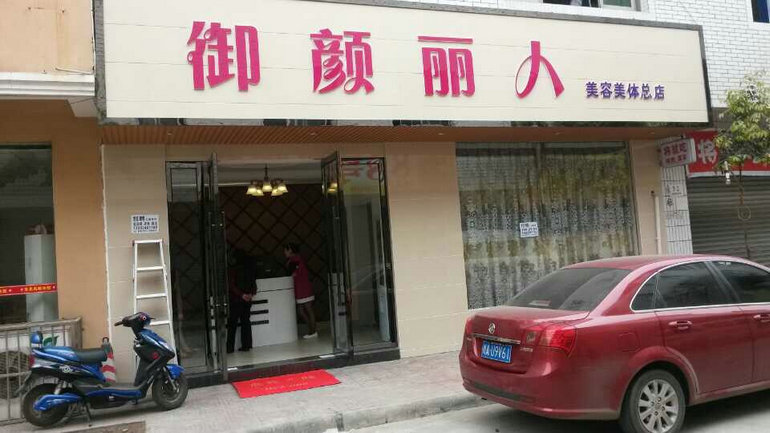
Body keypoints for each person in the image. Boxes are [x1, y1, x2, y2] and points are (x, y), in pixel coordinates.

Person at [226, 249, 257, 353]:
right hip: (247, 300)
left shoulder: (232, 269)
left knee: (232, 324)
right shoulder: (250, 269)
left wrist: (241, 295)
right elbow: (253, 284)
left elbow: (231, 285)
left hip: (236, 300)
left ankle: (230, 347)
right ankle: (247, 345)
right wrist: (250, 294)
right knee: (246, 322)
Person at [284, 243, 317, 339]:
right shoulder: (295, 260)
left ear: (290, 250)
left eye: (285, 250)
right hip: (302, 288)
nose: (284, 252)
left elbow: (293, 273)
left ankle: (313, 331)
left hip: (303, 288)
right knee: (303, 310)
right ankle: (312, 330)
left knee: (306, 310)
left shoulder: (295, 260)